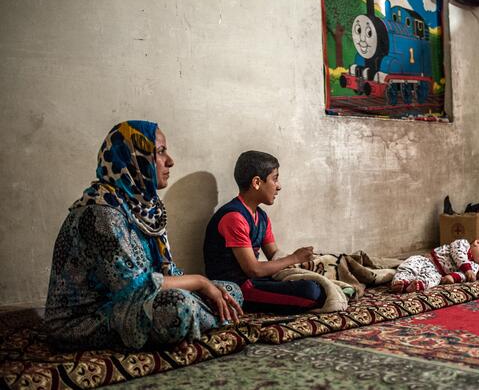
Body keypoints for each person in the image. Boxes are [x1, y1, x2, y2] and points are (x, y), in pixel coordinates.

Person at [44, 121, 244, 351]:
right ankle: (180, 325)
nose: (170, 161)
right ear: (133, 158)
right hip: (88, 318)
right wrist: (200, 281)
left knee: (230, 292)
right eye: (160, 152)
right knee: (179, 307)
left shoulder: (145, 206)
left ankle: (176, 328)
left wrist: (207, 288)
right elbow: (137, 286)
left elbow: (165, 274)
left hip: (133, 303)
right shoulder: (101, 212)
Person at [203, 151, 326, 314]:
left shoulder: (261, 216)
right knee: (311, 292)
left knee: (319, 281)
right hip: (237, 287)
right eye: (275, 179)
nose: (279, 186)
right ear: (256, 182)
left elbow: (274, 256)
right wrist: (294, 258)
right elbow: (253, 270)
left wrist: (307, 263)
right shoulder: (234, 217)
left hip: (256, 281)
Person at [391, 237, 479, 293]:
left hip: (436, 272)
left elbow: (463, 276)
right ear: (478, 242)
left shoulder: (475, 267)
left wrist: (453, 277)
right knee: (411, 264)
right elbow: (457, 253)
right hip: (427, 260)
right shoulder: (463, 244)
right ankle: (401, 281)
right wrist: (467, 269)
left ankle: (417, 285)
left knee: (433, 279)